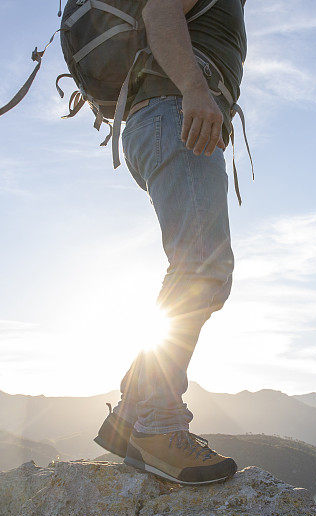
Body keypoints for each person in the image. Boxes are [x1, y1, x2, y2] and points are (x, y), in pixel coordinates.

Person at [93, 0, 247, 486]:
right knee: (202, 270)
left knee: (199, 271)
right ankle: (158, 425)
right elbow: (160, 11)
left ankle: (131, 415)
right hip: (174, 115)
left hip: (161, 120)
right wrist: (197, 92)